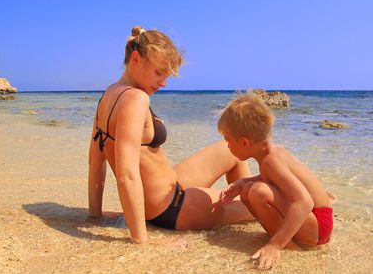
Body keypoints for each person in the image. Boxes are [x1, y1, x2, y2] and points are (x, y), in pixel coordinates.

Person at [88, 26, 252, 244]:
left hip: (169, 188)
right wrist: (141, 239)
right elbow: (126, 175)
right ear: (135, 59)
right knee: (253, 202)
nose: (163, 82)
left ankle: (255, 190)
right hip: (171, 207)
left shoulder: (108, 95)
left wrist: (95, 215)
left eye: (166, 75)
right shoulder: (136, 99)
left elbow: (95, 160)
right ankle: (291, 208)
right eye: (159, 72)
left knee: (230, 150)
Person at [217, 92, 334, 269]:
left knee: (258, 191)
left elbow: (304, 201)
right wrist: (241, 183)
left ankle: (282, 244)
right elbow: (272, 179)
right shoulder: (271, 156)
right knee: (248, 189)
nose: (227, 146)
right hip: (314, 223)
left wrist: (275, 245)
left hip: (319, 227)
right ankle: (283, 239)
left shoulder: (272, 160)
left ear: (244, 143)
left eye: (228, 141)